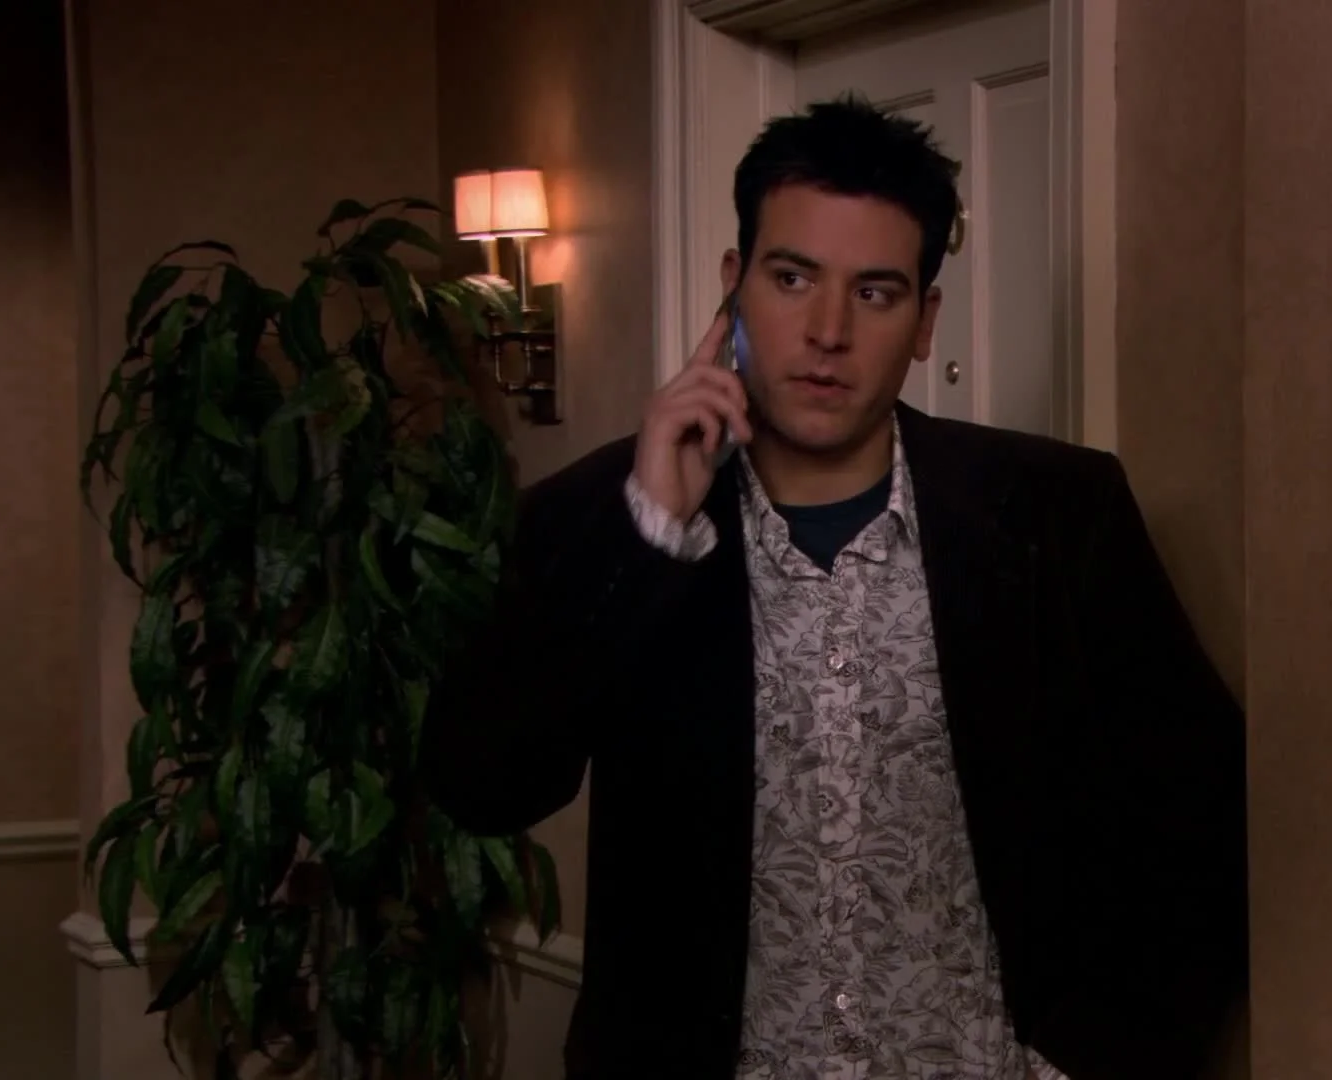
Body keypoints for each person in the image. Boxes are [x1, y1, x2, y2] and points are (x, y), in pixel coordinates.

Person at [422, 96, 1248, 1079]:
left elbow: (1208, 820)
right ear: (732, 286)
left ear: (923, 321)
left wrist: (1098, 1058)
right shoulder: (596, 515)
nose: (826, 330)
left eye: (875, 292)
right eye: (792, 278)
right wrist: (648, 535)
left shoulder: (1057, 513)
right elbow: (481, 783)